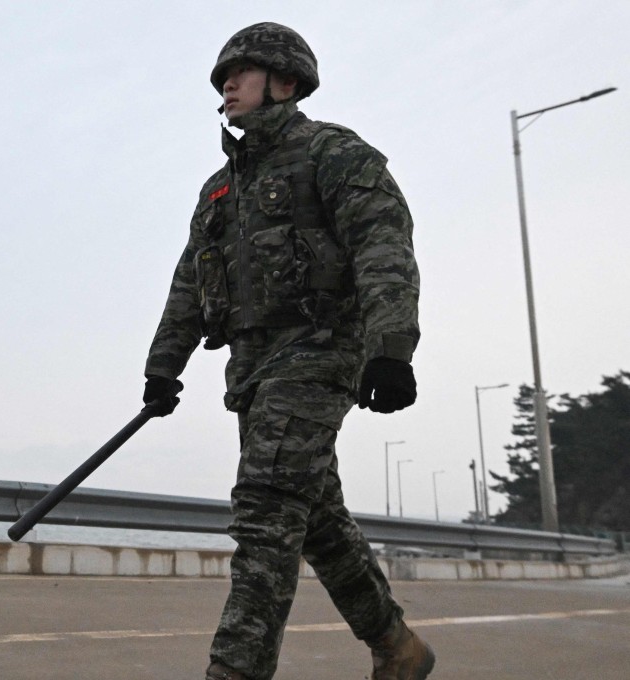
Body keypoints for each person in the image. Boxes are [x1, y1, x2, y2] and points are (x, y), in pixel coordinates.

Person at [142, 23, 434, 680]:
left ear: (286, 82)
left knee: (267, 513)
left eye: (240, 73)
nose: (226, 86)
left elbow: (384, 249)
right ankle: (398, 647)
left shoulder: (334, 153)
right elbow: (191, 281)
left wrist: (390, 349)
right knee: (319, 521)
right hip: (252, 373)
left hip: (322, 354)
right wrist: (163, 366)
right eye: (222, 78)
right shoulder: (220, 189)